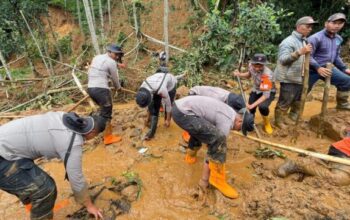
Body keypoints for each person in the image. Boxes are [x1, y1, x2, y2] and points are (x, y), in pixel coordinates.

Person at [0, 112, 106, 220]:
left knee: (30, 178)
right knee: (46, 190)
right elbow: (76, 178)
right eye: (96, 135)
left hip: (8, 147)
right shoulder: (72, 143)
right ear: (93, 132)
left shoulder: (63, 115)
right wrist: (89, 205)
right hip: (3, 156)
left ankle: (33, 206)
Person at [172, 96, 254, 199]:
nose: (238, 131)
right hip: (184, 113)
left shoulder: (230, 112)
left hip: (179, 108)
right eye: (240, 129)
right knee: (219, 140)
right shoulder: (227, 121)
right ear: (240, 121)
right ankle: (215, 180)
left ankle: (190, 157)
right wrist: (204, 180)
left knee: (204, 131)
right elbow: (214, 147)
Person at [274, 16, 318, 129]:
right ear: (298, 26)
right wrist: (299, 52)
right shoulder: (288, 42)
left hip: (299, 76)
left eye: (311, 27)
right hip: (288, 77)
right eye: (307, 26)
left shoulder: (303, 40)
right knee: (285, 100)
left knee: (296, 99)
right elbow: (283, 60)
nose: (310, 29)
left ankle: (288, 118)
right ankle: (278, 121)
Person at [276, 127, 350, 186]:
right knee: (339, 179)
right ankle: (298, 163)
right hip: (344, 151)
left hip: (344, 154)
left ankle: (315, 157)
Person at [308, 13, 350, 110]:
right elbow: (308, 56)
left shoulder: (338, 39)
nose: (337, 26)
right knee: (302, 90)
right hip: (311, 69)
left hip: (328, 69)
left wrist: (345, 69)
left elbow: (336, 57)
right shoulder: (315, 38)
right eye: (334, 23)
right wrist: (317, 68)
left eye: (340, 23)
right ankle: (293, 113)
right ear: (326, 23)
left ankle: (342, 105)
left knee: (346, 81)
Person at [87, 43, 124, 145]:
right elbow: (115, 78)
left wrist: (118, 65)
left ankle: (96, 128)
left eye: (118, 55)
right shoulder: (111, 62)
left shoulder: (97, 57)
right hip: (101, 90)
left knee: (102, 110)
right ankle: (108, 137)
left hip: (91, 88)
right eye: (115, 54)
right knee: (107, 114)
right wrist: (118, 88)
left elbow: (102, 65)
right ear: (109, 52)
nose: (117, 56)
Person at [135, 67, 184, 140]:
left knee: (168, 102)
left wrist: (167, 119)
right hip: (156, 85)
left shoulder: (163, 89)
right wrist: (148, 117)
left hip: (170, 87)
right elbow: (148, 103)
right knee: (154, 106)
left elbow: (168, 105)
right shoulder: (143, 87)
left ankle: (167, 121)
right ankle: (150, 124)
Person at [234, 53, 276, 134]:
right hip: (256, 89)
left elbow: (265, 95)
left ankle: (266, 123)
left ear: (264, 64)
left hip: (268, 92)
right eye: (255, 66)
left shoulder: (267, 75)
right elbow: (249, 75)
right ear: (252, 63)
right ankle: (250, 125)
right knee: (250, 109)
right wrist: (239, 74)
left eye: (260, 66)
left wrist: (252, 105)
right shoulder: (251, 66)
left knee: (262, 107)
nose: (257, 68)